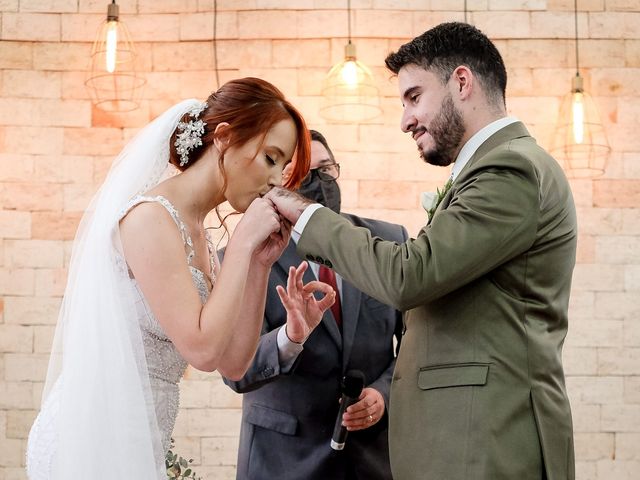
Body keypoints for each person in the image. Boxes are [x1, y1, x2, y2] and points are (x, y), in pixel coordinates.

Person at [266, 22, 577, 480]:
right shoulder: (492, 170)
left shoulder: (510, 169)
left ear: (462, 82)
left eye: (414, 96)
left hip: (488, 443)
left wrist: (304, 212)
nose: (405, 120)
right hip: (464, 442)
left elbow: (409, 276)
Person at [25, 78, 336, 479]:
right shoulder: (149, 218)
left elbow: (233, 362)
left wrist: (258, 263)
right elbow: (202, 350)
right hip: (90, 436)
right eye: (271, 158)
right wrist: (242, 243)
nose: (276, 180)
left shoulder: (202, 237)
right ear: (224, 138)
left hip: (139, 439)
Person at [223, 130, 408, 480]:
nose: (320, 181)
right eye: (307, 173)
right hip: (281, 460)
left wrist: (384, 394)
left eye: (327, 169)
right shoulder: (242, 256)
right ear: (279, 183)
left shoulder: (388, 242)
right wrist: (290, 338)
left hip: (370, 460)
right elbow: (236, 373)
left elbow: (415, 342)